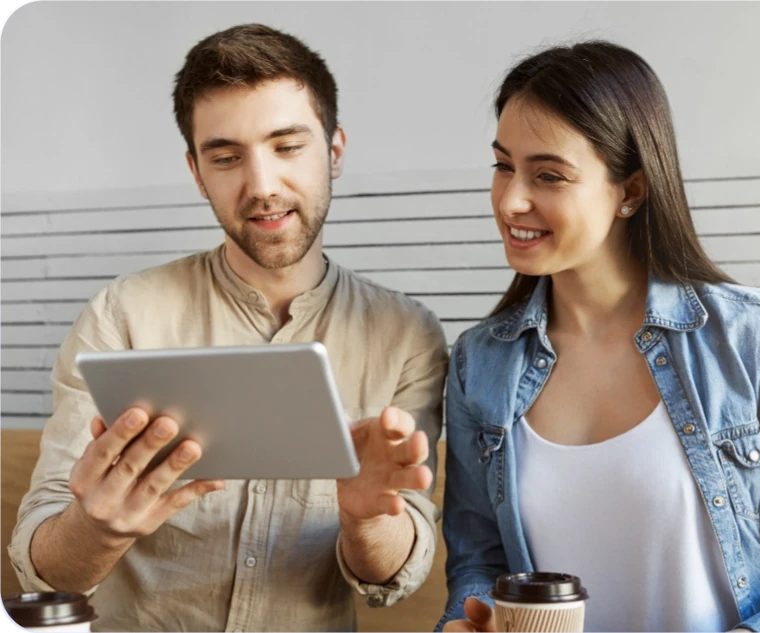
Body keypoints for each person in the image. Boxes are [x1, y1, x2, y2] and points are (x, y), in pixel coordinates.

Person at [9, 23, 448, 632]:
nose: (262, 186)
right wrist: (97, 528)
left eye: (288, 146)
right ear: (196, 170)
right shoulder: (121, 314)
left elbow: (392, 579)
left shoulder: (408, 334)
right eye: (226, 157)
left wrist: (369, 520)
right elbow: (45, 569)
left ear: (336, 151)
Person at [438, 41, 760, 633]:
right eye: (503, 166)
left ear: (631, 192)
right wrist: (471, 621)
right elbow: (480, 567)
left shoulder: (759, 338)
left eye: (548, 175)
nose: (511, 199)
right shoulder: (478, 362)